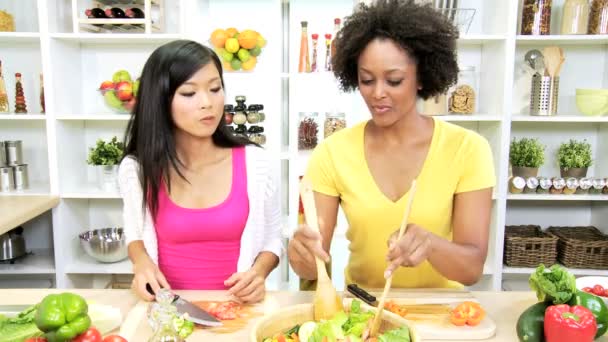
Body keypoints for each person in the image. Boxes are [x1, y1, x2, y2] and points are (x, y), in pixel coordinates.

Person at [288, 0, 496, 290]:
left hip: (440, 316)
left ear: (422, 77)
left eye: (394, 81)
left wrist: (431, 245)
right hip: (363, 310)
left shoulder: (468, 149)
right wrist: (301, 255)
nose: (378, 93)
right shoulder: (332, 152)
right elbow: (312, 267)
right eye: (367, 80)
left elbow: (471, 268)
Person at [119, 40, 282, 303]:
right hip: (167, 313)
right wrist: (141, 263)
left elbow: (273, 239)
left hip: (237, 312)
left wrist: (258, 272)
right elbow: (134, 233)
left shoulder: (256, 164)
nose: (208, 103)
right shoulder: (138, 169)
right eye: (188, 93)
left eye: (215, 89)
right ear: (160, 100)